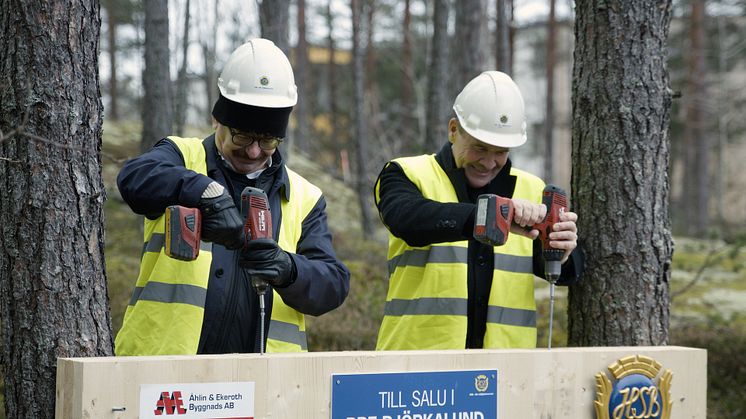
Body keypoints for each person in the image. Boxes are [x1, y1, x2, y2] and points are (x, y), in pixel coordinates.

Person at [115, 38, 350, 356]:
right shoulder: (182, 157)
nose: (254, 151)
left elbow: (334, 284)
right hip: (168, 375)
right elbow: (134, 178)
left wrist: (288, 268)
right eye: (242, 136)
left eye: (267, 140)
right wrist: (205, 192)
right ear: (217, 121)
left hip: (269, 384)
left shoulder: (305, 197)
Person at [374, 71, 582, 350]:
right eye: (479, 148)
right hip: (419, 368)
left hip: (506, 373)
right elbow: (406, 219)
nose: (488, 162)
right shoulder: (406, 174)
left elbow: (564, 272)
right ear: (453, 130)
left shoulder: (533, 190)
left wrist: (564, 252)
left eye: (500, 152)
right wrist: (486, 217)